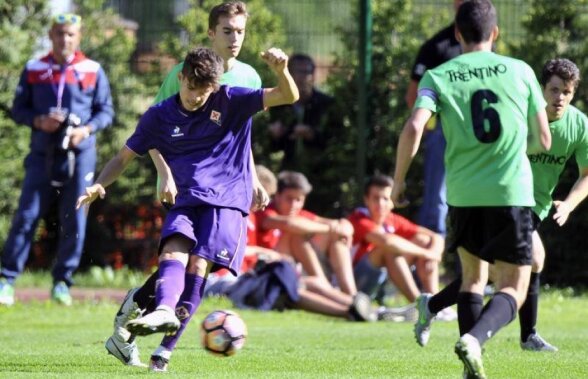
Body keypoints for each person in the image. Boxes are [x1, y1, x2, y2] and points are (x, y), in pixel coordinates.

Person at [77, 47, 298, 372]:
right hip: (186, 199)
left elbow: (287, 96)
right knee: (171, 254)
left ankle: (163, 353)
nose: (196, 97)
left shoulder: (232, 99)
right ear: (181, 78)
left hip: (226, 201)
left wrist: (282, 70)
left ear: (216, 86)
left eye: (204, 91)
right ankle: (164, 310)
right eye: (192, 88)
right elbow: (122, 157)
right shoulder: (159, 115)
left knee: (198, 269)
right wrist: (100, 184)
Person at [391, 1, 551, 377]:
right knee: (514, 286)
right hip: (510, 193)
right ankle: (475, 340)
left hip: (462, 195)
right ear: (495, 33)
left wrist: (398, 182)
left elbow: (415, 127)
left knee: (473, 279)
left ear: (458, 34)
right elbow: (543, 138)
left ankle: (469, 370)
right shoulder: (520, 71)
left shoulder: (439, 75)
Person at [102, 1, 265, 368]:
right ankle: (147, 321)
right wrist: (164, 172)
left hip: (227, 188)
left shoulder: (250, 77)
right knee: (188, 258)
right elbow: (155, 129)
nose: (235, 38)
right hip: (186, 185)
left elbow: (241, 135)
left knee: (197, 262)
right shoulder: (183, 72)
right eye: (227, 31)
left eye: (240, 31)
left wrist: (252, 177)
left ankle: (143, 313)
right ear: (212, 32)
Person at [413, 58, 588, 353]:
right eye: (554, 90)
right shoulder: (521, 115)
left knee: (493, 272)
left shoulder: (579, 125)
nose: (559, 98)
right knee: (526, 261)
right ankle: (525, 336)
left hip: (536, 205)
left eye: (567, 92)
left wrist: (569, 204)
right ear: (541, 89)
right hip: (506, 196)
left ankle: (432, 306)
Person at [0, 13, 114, 306]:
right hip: (42, 154)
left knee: (75, 219)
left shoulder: (92, 69)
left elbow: (106, 112)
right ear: (51, 36)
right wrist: (39, 121)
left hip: (80, 156)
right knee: (26, 216)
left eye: (70, 35)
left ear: (79, 37)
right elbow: (18, 109)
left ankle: (62, 282)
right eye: (60, 34)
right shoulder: (34, 68)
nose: (65, 39)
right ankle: (6, 280)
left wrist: (85, 130)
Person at [404, 0, 464, 237]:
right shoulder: (437, 47)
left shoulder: (486, 48)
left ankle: (469, 267)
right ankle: (429, 265)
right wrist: (430, 130)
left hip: (479, 134)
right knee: (436, 200)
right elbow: (413, 95)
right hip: (443, 133)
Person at [256, 171, 358, 296]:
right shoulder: (265, 210)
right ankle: (326, 288)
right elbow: (290, 224)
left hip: (295, 266)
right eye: (289, 198)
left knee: (338, 239)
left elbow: (341, 224)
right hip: (270, 267)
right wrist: (330, 229)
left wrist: (344, 228)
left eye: (298, 200)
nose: (294, 205)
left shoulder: (300, 215)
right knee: (295, 233)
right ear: (277, 195)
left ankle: (351, 293)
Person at [348, 175, 444, 304]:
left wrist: (434, 254)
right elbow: (387, 242)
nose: (381, 204)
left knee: (423, 240)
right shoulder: (358, 219)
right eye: (376, 198)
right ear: (366, 200)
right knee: (389, 249)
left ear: (392, 201)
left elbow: (435, 236)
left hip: (382, 279)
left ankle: (435, 300)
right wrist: (427, 254)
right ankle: (420, 305)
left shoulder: (391, 219)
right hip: (356, 283)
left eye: (386, 199)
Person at [267, 54, 339, 213]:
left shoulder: (325, 104)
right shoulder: (277, 103)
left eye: (306, 72)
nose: (302, 77)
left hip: (317, 174)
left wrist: (312, 135)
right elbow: (267, 144)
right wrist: (275, 134)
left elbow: (335, 140)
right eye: (297, 72)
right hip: (284, 171)